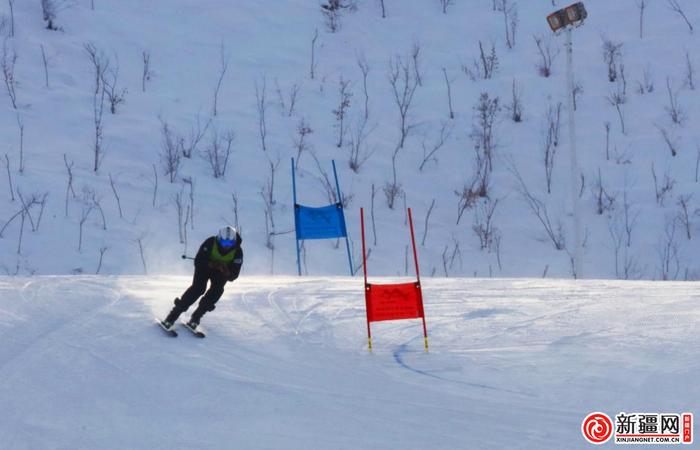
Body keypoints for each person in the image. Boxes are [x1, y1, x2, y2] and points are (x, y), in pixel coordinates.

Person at [162, 226, 243, 331]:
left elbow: (234, 276)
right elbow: (198, 261)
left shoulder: (237, 252)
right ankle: (172, 316)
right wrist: (210, 264)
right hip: (204, 269)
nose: (226, 246)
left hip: (220, 273)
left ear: (234, 242)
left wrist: (226, 271)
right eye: (223, 243)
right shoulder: (210, 243)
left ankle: (196, 317)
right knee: (198, 288)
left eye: (230, 244)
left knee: (217, 291)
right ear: (219, 239)